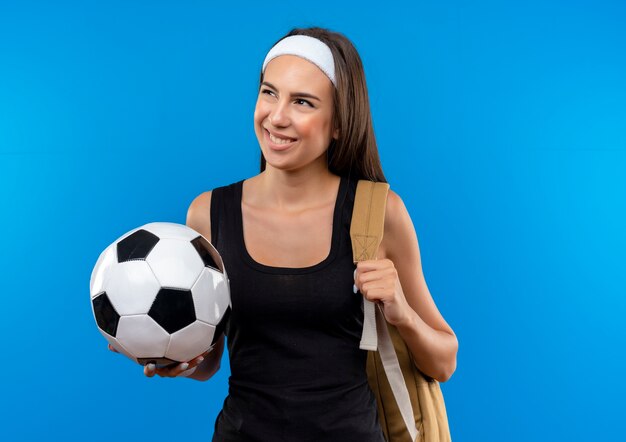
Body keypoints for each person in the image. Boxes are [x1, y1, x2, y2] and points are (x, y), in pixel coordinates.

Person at [110, 26, 458, 441]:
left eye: (303, 102)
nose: (277, 116)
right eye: (269, 92)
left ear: (339, 125)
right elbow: (210, 363)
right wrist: (176, 357)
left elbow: (444, 362)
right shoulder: (208, 213)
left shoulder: (378, 213)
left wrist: (401, 312)